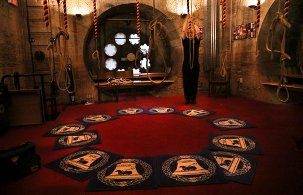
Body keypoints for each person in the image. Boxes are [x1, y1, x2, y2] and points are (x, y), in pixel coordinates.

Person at [181, 15, 201, 104]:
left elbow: (198, 32)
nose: (190, 31)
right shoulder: (185, 41)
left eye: (191, 31)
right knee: (186, 82)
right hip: (186, 65)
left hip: (195, 64)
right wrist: (186, 21)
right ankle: (187, 99)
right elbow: (183, 32)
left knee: (194, 81)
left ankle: (193, 99)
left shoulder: (196, 41)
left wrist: (192, 22)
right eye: (189, 31)